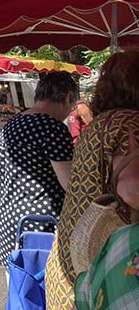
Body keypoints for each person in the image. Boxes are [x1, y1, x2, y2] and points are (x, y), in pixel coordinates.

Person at [45, 49, 139, 309]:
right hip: (101, 271)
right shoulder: (131, 124)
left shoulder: (101, 123)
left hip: (68, 262)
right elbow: (132, 189)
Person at [0, 71, 77, 269]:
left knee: (18, 293)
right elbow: (71, 184)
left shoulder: (14, 121)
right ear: (67, 98)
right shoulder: (53, 128)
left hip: (7, 220)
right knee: (39, 296)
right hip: (37, 226)